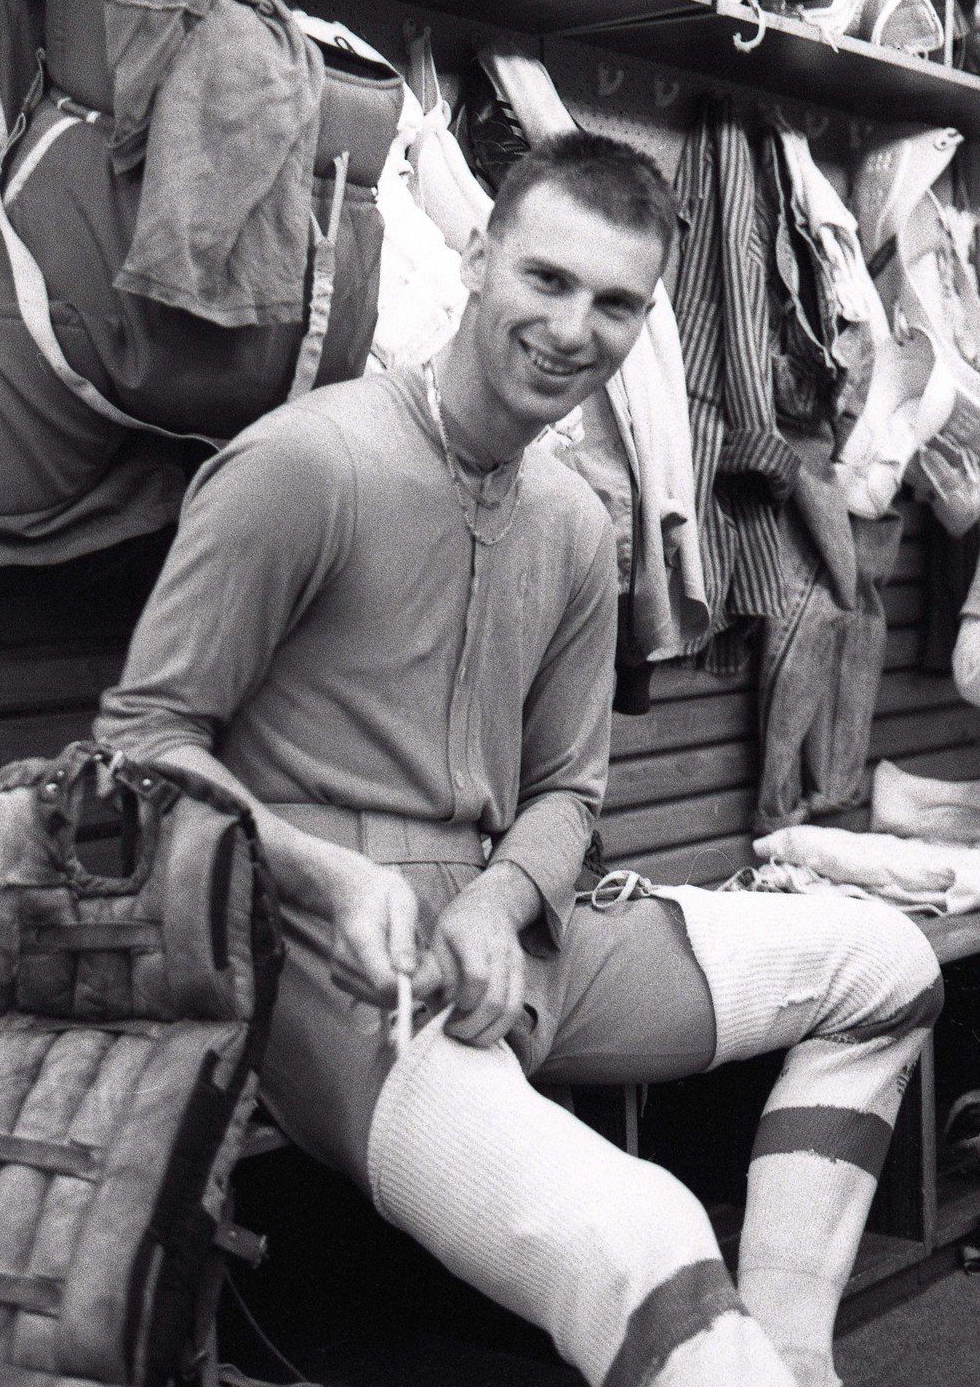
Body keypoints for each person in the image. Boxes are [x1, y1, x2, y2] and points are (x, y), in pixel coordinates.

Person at [96, 132, 942, 1387]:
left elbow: (567, 791)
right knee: (642, 1232)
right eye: (545, 279)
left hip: (518, 944)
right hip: (334, 976)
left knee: (886, 961)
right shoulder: (303, 463)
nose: (570, 328)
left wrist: (498, 898)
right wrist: (328, 877)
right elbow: (139, 751)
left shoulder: (570, 515)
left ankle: (790, 1355)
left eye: (614, 303)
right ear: (480, 256)